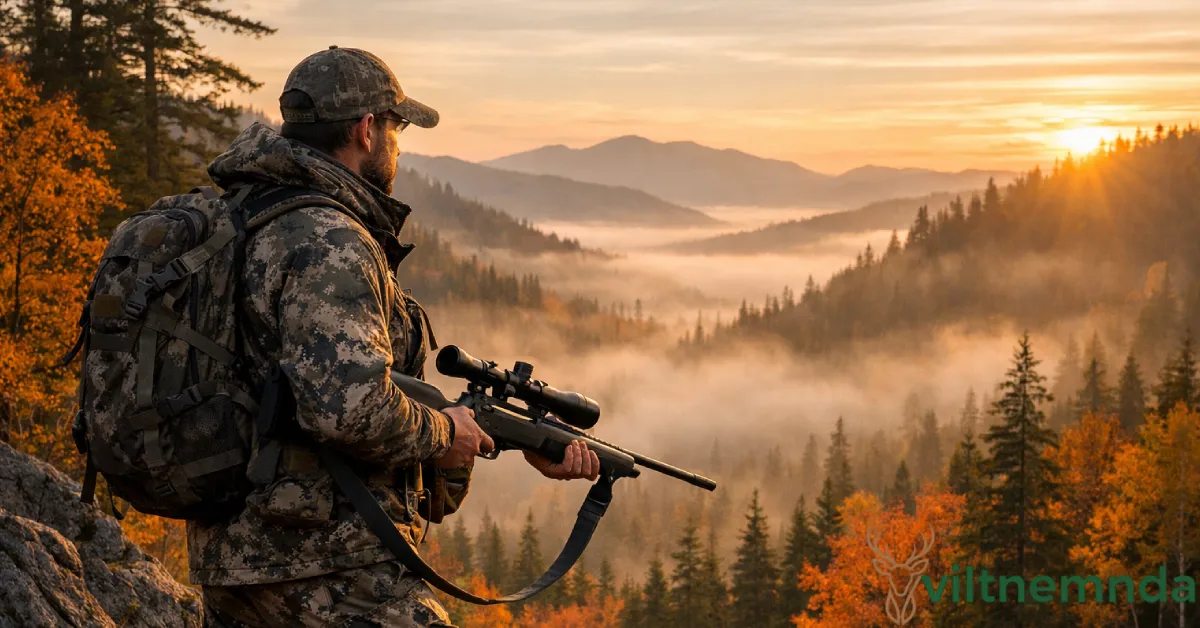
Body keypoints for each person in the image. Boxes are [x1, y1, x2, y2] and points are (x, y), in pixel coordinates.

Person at [194, 46, 600, 627]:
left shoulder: (245, 214)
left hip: (234, 557)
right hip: (325, 567)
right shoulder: (329, 240)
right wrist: (443, 431)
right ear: (366, 130)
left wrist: (504, 439)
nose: (400, 145)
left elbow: (289, 392)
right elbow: (348, 409)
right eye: (397, 126)